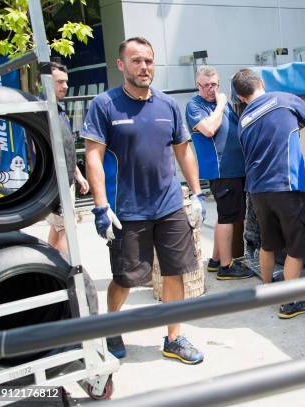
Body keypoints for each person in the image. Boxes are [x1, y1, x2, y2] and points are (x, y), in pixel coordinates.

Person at [82, 37, 206, 364]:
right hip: (127, 211)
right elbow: (92, 157)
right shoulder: (105, 105)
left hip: (168, 205)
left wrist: (196, 193)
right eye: (136, 61)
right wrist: (100, 206)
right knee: (125, 278)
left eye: (149, 61)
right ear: (121, 65)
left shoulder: (167, 105)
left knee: (175, 273)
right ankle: (112, 327)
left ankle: (174, 338)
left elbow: (184, 149)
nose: (144, 67)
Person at [231, 68, 305, 319]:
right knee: (298, 244)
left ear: (240, 97)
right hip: (286, 186)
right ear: (261, 83)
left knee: (268, 243)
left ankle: (267, 291)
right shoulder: (286, 99)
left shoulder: (243, 121)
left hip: (258, 191)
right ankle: (291, 303)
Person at [185, 66, 253, 280]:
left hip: (235, 170)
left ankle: (215, 260)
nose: (210, 90)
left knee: (227, 215)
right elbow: (208, 129)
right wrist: (222, 103)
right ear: (198, 86)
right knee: (227, 217)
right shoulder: (195, 105)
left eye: (213, 85)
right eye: (205, 86)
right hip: (222, 170)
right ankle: (226, 266)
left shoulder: (221, 105)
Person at [46, 62, 90, 256]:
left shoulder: (58, 109)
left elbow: (66, 149)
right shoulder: (44, 111)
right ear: (46, 82)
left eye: (66, 82)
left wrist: (78, 175)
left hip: (64, 180)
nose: (65, 86)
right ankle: (68, 277)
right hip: (56, 183)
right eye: (60, 82)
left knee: (58, 229)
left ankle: (47, 272)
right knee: (66, 229)